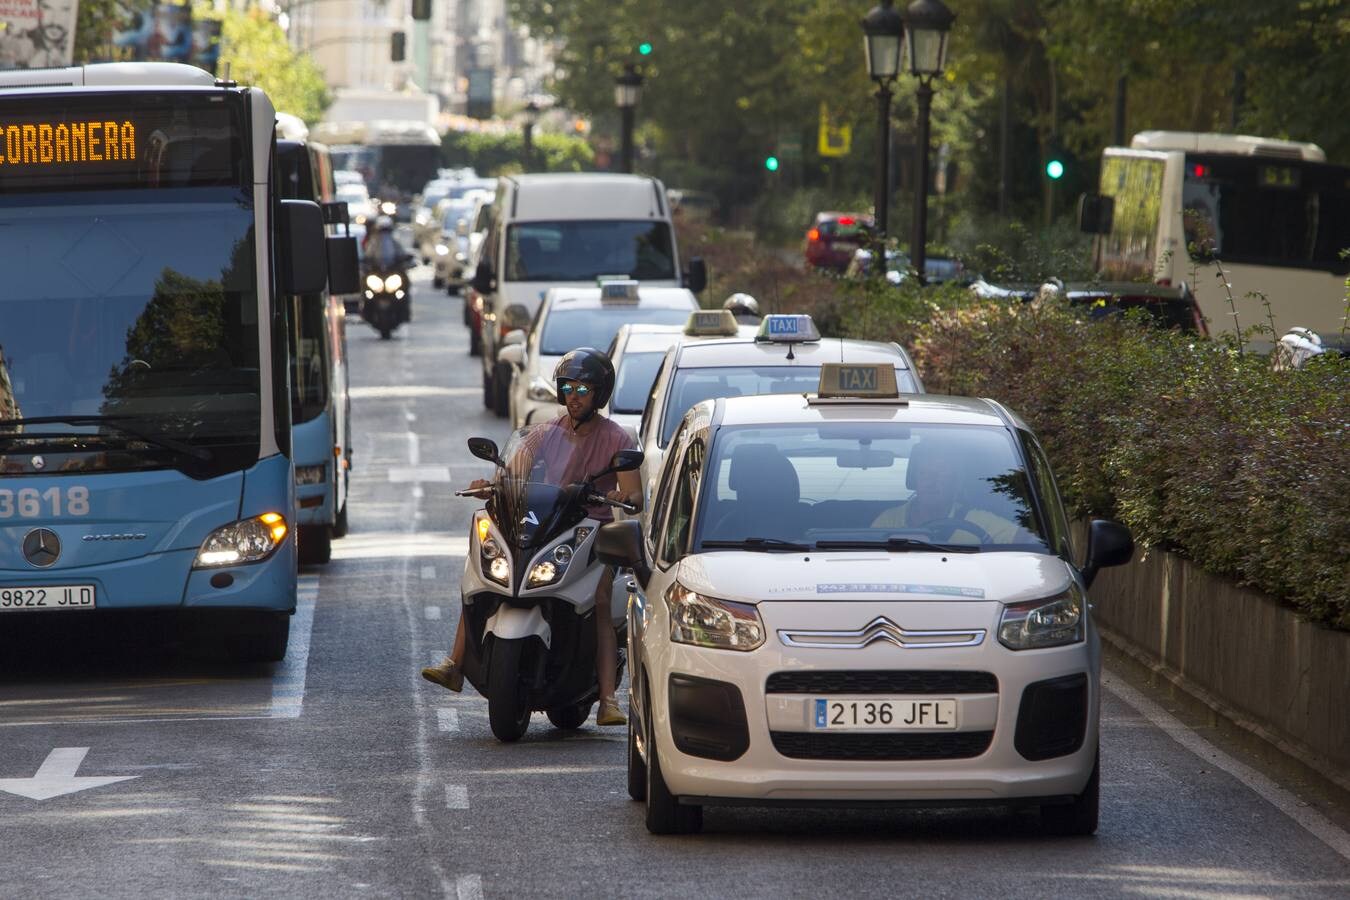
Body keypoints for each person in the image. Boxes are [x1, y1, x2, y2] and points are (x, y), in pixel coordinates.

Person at [422, 348, 642, 727]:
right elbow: (511, 473)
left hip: (590, 530)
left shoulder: (616, 437)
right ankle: (455, 664)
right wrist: (490, 486)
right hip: (543, 524)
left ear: (599, 394)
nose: (573, 395)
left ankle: (608, 698)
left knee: (602, 600)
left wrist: (624, 496)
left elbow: (634, 494)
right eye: (568, 387)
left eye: (583, 389)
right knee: (484, 578)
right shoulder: (546, 432)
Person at [871, 438, 1020, 544]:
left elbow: (1030, 541)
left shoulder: (977, 520)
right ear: (914, 480)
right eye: (924, 474)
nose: (931, 481)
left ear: (956, 483)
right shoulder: (889, 520)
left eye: (942, 475)